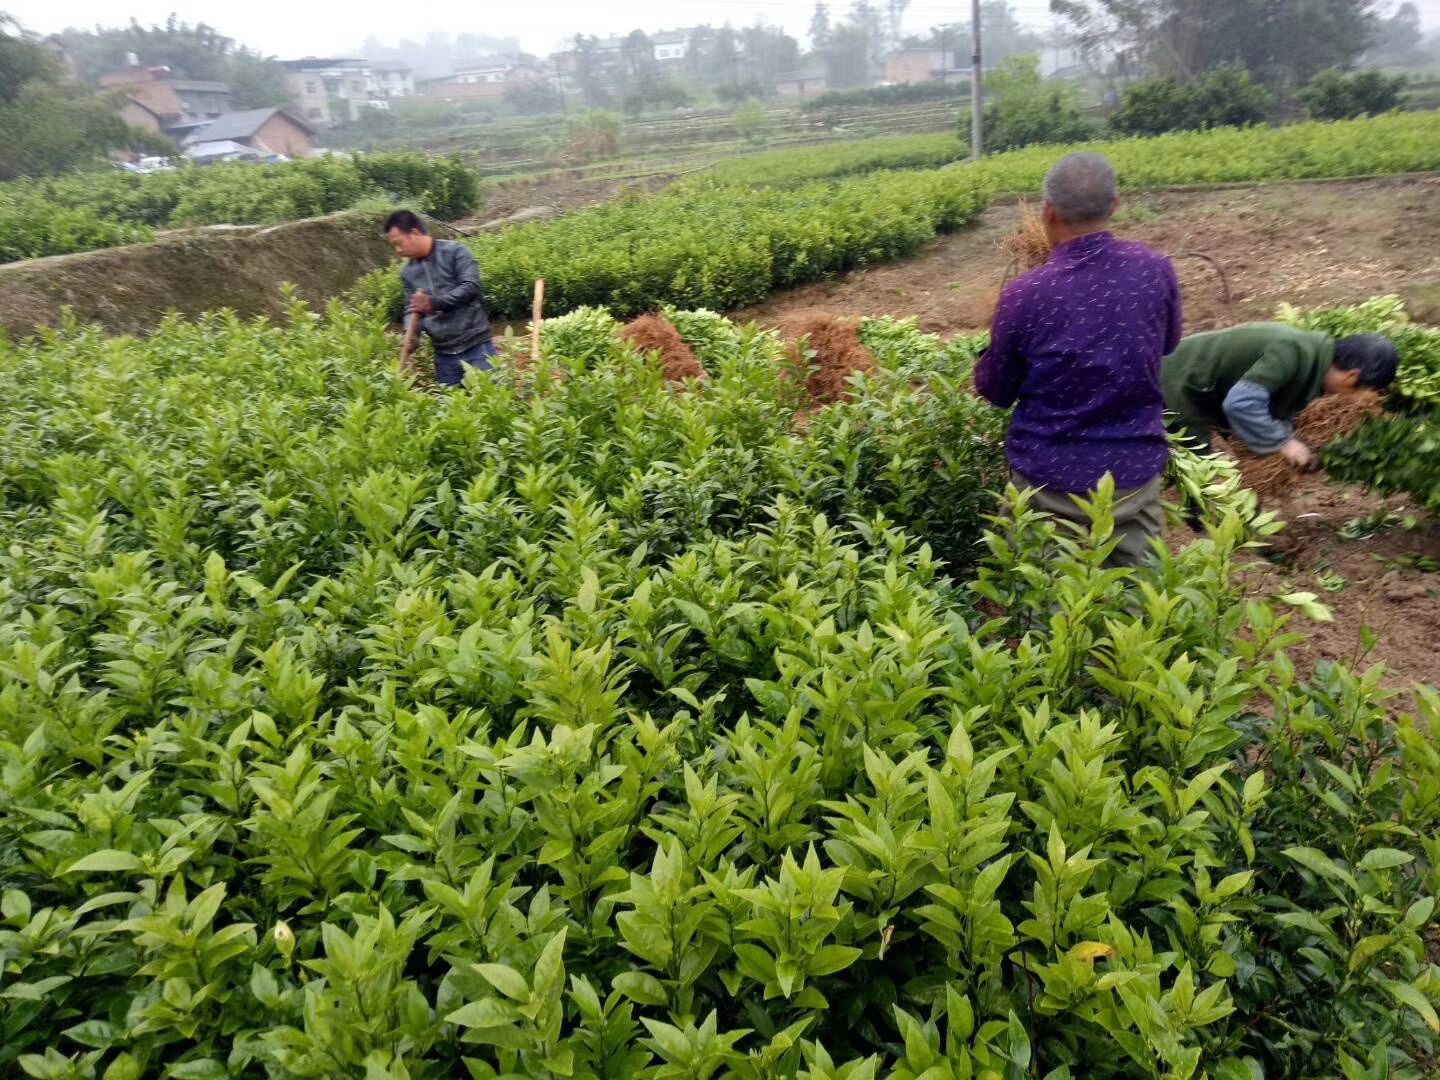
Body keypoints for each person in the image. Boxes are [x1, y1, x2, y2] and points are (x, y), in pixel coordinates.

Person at [974, 152, 1182, 567]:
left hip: (1048, 480)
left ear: (1047, 212)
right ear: (1114, 205)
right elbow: (1167, 343)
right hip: (1132, 473)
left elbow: (996, 390)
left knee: (1043, 607)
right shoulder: (1155, 270)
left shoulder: (1026, 293)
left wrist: (987, 356)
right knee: (1140, 609)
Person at [1161, 323, 1398, 467]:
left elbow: (1273, 410)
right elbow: (1241, 403)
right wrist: (1282, 443)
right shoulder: (1293, 351)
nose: (1357, 402)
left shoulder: (1313, 362)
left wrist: (1289, 444)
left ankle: (1241, 524)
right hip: (1178, 382)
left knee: (1237, 452)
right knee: (1200, 466)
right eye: (1364, 394)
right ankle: (1202, 529)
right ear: (1352, 378)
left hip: (1206, 389)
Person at [383, 209, 496, 386]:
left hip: (476, 346)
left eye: (399, 243)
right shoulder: (408, 272)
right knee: (452, 410)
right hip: (444, 357)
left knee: (491, 401)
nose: (398, 250)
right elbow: (411, 309)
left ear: (414, 233)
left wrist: (434, 303)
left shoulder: (455, 252)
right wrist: (410, 333)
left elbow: (470, 287)